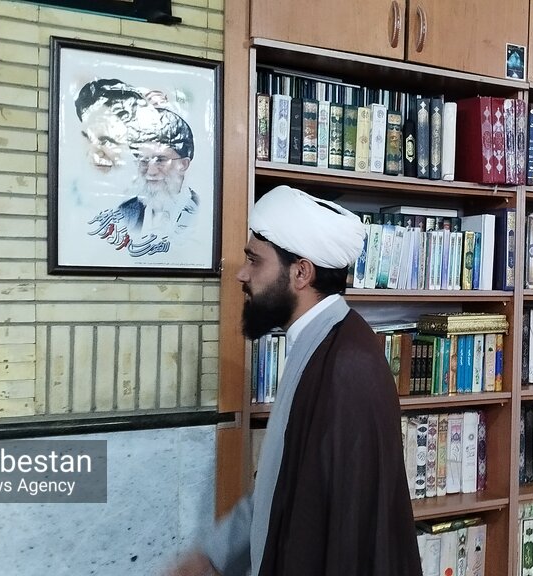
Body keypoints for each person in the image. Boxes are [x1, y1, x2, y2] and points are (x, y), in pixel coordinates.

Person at [165, 185, 422, 576]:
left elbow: (348, 535)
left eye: (255, 261)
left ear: (301, 273)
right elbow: (279, 485)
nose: (242, 274)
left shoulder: (347, 365)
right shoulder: (317, 342)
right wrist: (214, 557)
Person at [113, 107, 200, 238]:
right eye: (144, 161)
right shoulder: (125, 212)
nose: (151, 171)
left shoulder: (202, 213)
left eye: (160, 160)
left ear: (183, 164)